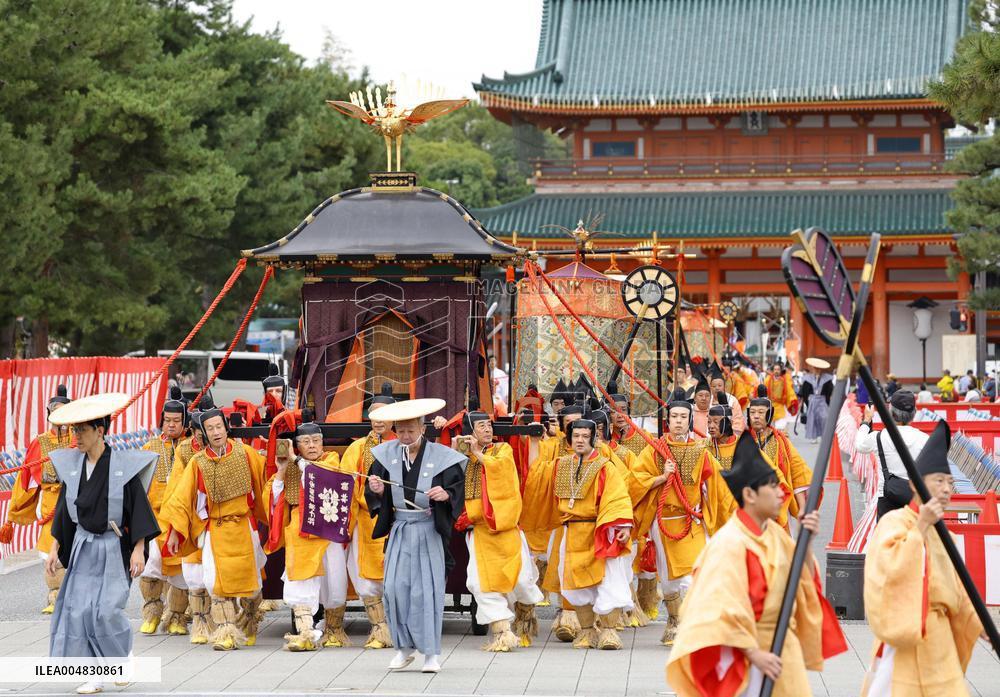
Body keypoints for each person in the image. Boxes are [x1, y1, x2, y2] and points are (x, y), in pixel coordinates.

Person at [666, 431, 847, 697]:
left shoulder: (776, 535)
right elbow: (712, 609)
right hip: (747, 656)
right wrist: (752, 652)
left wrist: (806, 542)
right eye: (772, 487)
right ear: (750, 494)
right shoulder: (728, 543)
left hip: (784, 649)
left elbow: (804, 586)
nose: (781, 493)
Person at [46, 393, 160, 696]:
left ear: (100, 431)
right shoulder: (73, 466)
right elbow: (63, 511)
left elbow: (139, 509)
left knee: (106, 611)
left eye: (83, 430)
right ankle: (94, 676)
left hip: (112, 545)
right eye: (75, 430)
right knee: (80, 612)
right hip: (83, 544)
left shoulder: (122, 466)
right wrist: (55, 547)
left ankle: (123, 657)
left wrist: (139, 549)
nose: (77, 436)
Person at [861, 420, 986, 696]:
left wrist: (979, 623)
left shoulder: (946, 536)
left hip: (939, 638)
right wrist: (920, 526)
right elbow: (887, 572)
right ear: (915, 485)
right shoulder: (894, 522)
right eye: (939, 481)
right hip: (904, 632)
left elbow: (959, 590)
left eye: (950, 483)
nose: (946, 489)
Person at [365, 399, 466, 673]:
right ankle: (403, 648)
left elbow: (457, 489)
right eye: (401, 431)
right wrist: (377, 490)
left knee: (427, 592)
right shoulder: (385, 454)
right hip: (400, 528)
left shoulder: (442, 456)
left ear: (422, 428)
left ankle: (431, 653)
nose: (406, 436)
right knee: (394, 589)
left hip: (427, 528)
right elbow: (374, 490)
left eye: (411, 430)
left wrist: (446, 495)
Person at [520, 418, 634, 650]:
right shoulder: (561, 464)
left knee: (607, 582)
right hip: (571, 533)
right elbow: (537, 475)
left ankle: (609, 632)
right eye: (576, 436)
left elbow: (618, 498)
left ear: (594, 438)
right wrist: (534, 442)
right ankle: (587, 632)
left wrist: (622, 526)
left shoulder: (605, 467)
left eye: (585, 436)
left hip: (599, 532)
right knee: (576, 587)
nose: (580, 440)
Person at [162, 407, 268, 650]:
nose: (216, 432)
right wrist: (175, 532)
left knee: (251, 585)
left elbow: (265, 480)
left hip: (244, 527)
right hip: (216, 529)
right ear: (204, 433)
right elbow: (181, 498)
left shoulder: (246, 453)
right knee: (215, 583)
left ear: (226, 428)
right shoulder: (198, 462)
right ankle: (225, 632)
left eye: (219, 426)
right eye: (210, 428)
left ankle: (249, 621)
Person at [631, 392, 733, 645]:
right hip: (663, 522)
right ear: (668, 420)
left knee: (695, 574)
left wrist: (718, 517)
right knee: (669, 580)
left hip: (692, 521)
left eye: (683, 417)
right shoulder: (654, 450)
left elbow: (717, 488)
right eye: (674, 416)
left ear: (690, 421)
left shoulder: (701, 451)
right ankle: (675, 622)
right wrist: (661, 478)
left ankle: (694, 626)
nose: (678, 421)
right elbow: (634, 481)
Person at [455, 411, 543, 651]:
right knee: (481, 583)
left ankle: (525, 620)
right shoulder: (462, 456)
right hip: (480, 532)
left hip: (506, 529)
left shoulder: (502, 450)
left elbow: (502, 469)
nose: (487, 430)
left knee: (521, 581)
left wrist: (478, 454)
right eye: (481, 426)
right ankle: (502, 633)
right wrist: (459, 451)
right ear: (470, 432)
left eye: (489, 425)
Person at [267, 420, 356, 651]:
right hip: (300, 528)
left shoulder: (330, 459)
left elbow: (322, 476)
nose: (312, 445)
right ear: (297, 445)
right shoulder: (290, 465)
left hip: (326, 526)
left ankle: (334, 631)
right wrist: (282, 469)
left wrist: (296, 460)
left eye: (316, 440)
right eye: (306, 442)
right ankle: (305, 632)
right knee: (300, 580)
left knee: (335, 582)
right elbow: (274, 497)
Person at [338, 383, 397, 650]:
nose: (378, 421)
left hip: (396, 522)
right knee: (366, 579)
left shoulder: (403, 445)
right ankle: (379, 629)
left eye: (384, 415)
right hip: (364, 522)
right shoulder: (357, 448)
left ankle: (398, 629)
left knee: (395, 576)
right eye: (374, 415)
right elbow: (346, 486)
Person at [7, 385, 73, 614]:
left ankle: (74, 596)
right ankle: (56, 596)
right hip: (51, 504)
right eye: (55, 410)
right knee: (49, 551)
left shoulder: (79, 437)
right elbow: (27, 479)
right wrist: (14, 511)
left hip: (76, 502)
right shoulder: (40, 441)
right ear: (49, 413)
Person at [138, 386, 191, 636]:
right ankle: (151, 613)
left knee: (181, 573)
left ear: (184, 421)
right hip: (155, 521)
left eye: (176, 421)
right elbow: (138, 488)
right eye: (167, 420)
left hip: (180, 521)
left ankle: (177, 617)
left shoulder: (190, 448)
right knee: (150, 570)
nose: (171, 425)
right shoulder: (149, 448)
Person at [854, 390, 929, 519]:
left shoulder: (880, 437)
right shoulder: (925, 439)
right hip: (916, 498)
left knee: (886, 532)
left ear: (891, 413)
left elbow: (859, 445)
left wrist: (866, 420)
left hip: (887, 498)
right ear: (914, 413)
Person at [747, 385, 812, 519]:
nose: (756, 416)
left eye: (761, 412)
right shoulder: (742, 442)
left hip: (778, 503)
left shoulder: (781, 441)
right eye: (752, 413)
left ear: (770, 414)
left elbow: (797, 473)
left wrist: (802, 507)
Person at [799, 358, 834, 444]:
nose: (817, 370)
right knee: (812, 418)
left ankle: (824, 436)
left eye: (819, 368)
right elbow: (804, 391)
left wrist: (830, 401)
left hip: (822, 401)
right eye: (815, 368)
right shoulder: (808, 378)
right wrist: (803, 402)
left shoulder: (827, 378)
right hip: (812, 401)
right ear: (813, 368)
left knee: (824, 418)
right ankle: (814, 437)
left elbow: (831, 391)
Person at [708, 364, 745, 436]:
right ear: (710, 388)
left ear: (724, 387)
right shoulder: (708, 401)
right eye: (714, 386)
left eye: (719, 385)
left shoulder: (732, 400)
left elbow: (738, 421)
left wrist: (730, 436)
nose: (717, 388)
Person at [763, 363, 798, 431]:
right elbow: (763, 391)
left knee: (780, 429)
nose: (776, 371)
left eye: (778, 369)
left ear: (781, 371)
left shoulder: (784, 381)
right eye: (775, 369)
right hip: (769, 407)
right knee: (769, 430)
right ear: (773, 370)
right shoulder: (768, 380)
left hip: (780, 407)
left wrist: (792, 403)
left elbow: (790, 392)